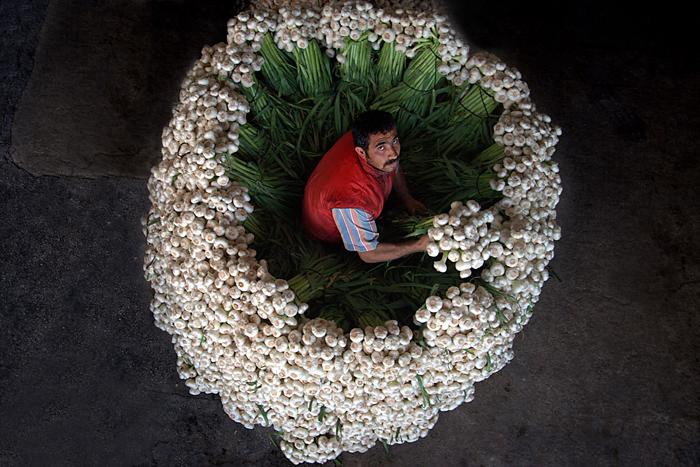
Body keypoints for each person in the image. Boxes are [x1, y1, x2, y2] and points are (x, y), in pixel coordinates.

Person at [302, 110, 430, 263]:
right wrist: (419, 245)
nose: (393, 153)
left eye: (395, 141)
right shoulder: (353, 198)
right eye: (381, 147)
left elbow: (394, 165)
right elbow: (369, 254)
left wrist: (406, 197)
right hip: (328, 231)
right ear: (361, 152)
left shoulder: (366, 138)